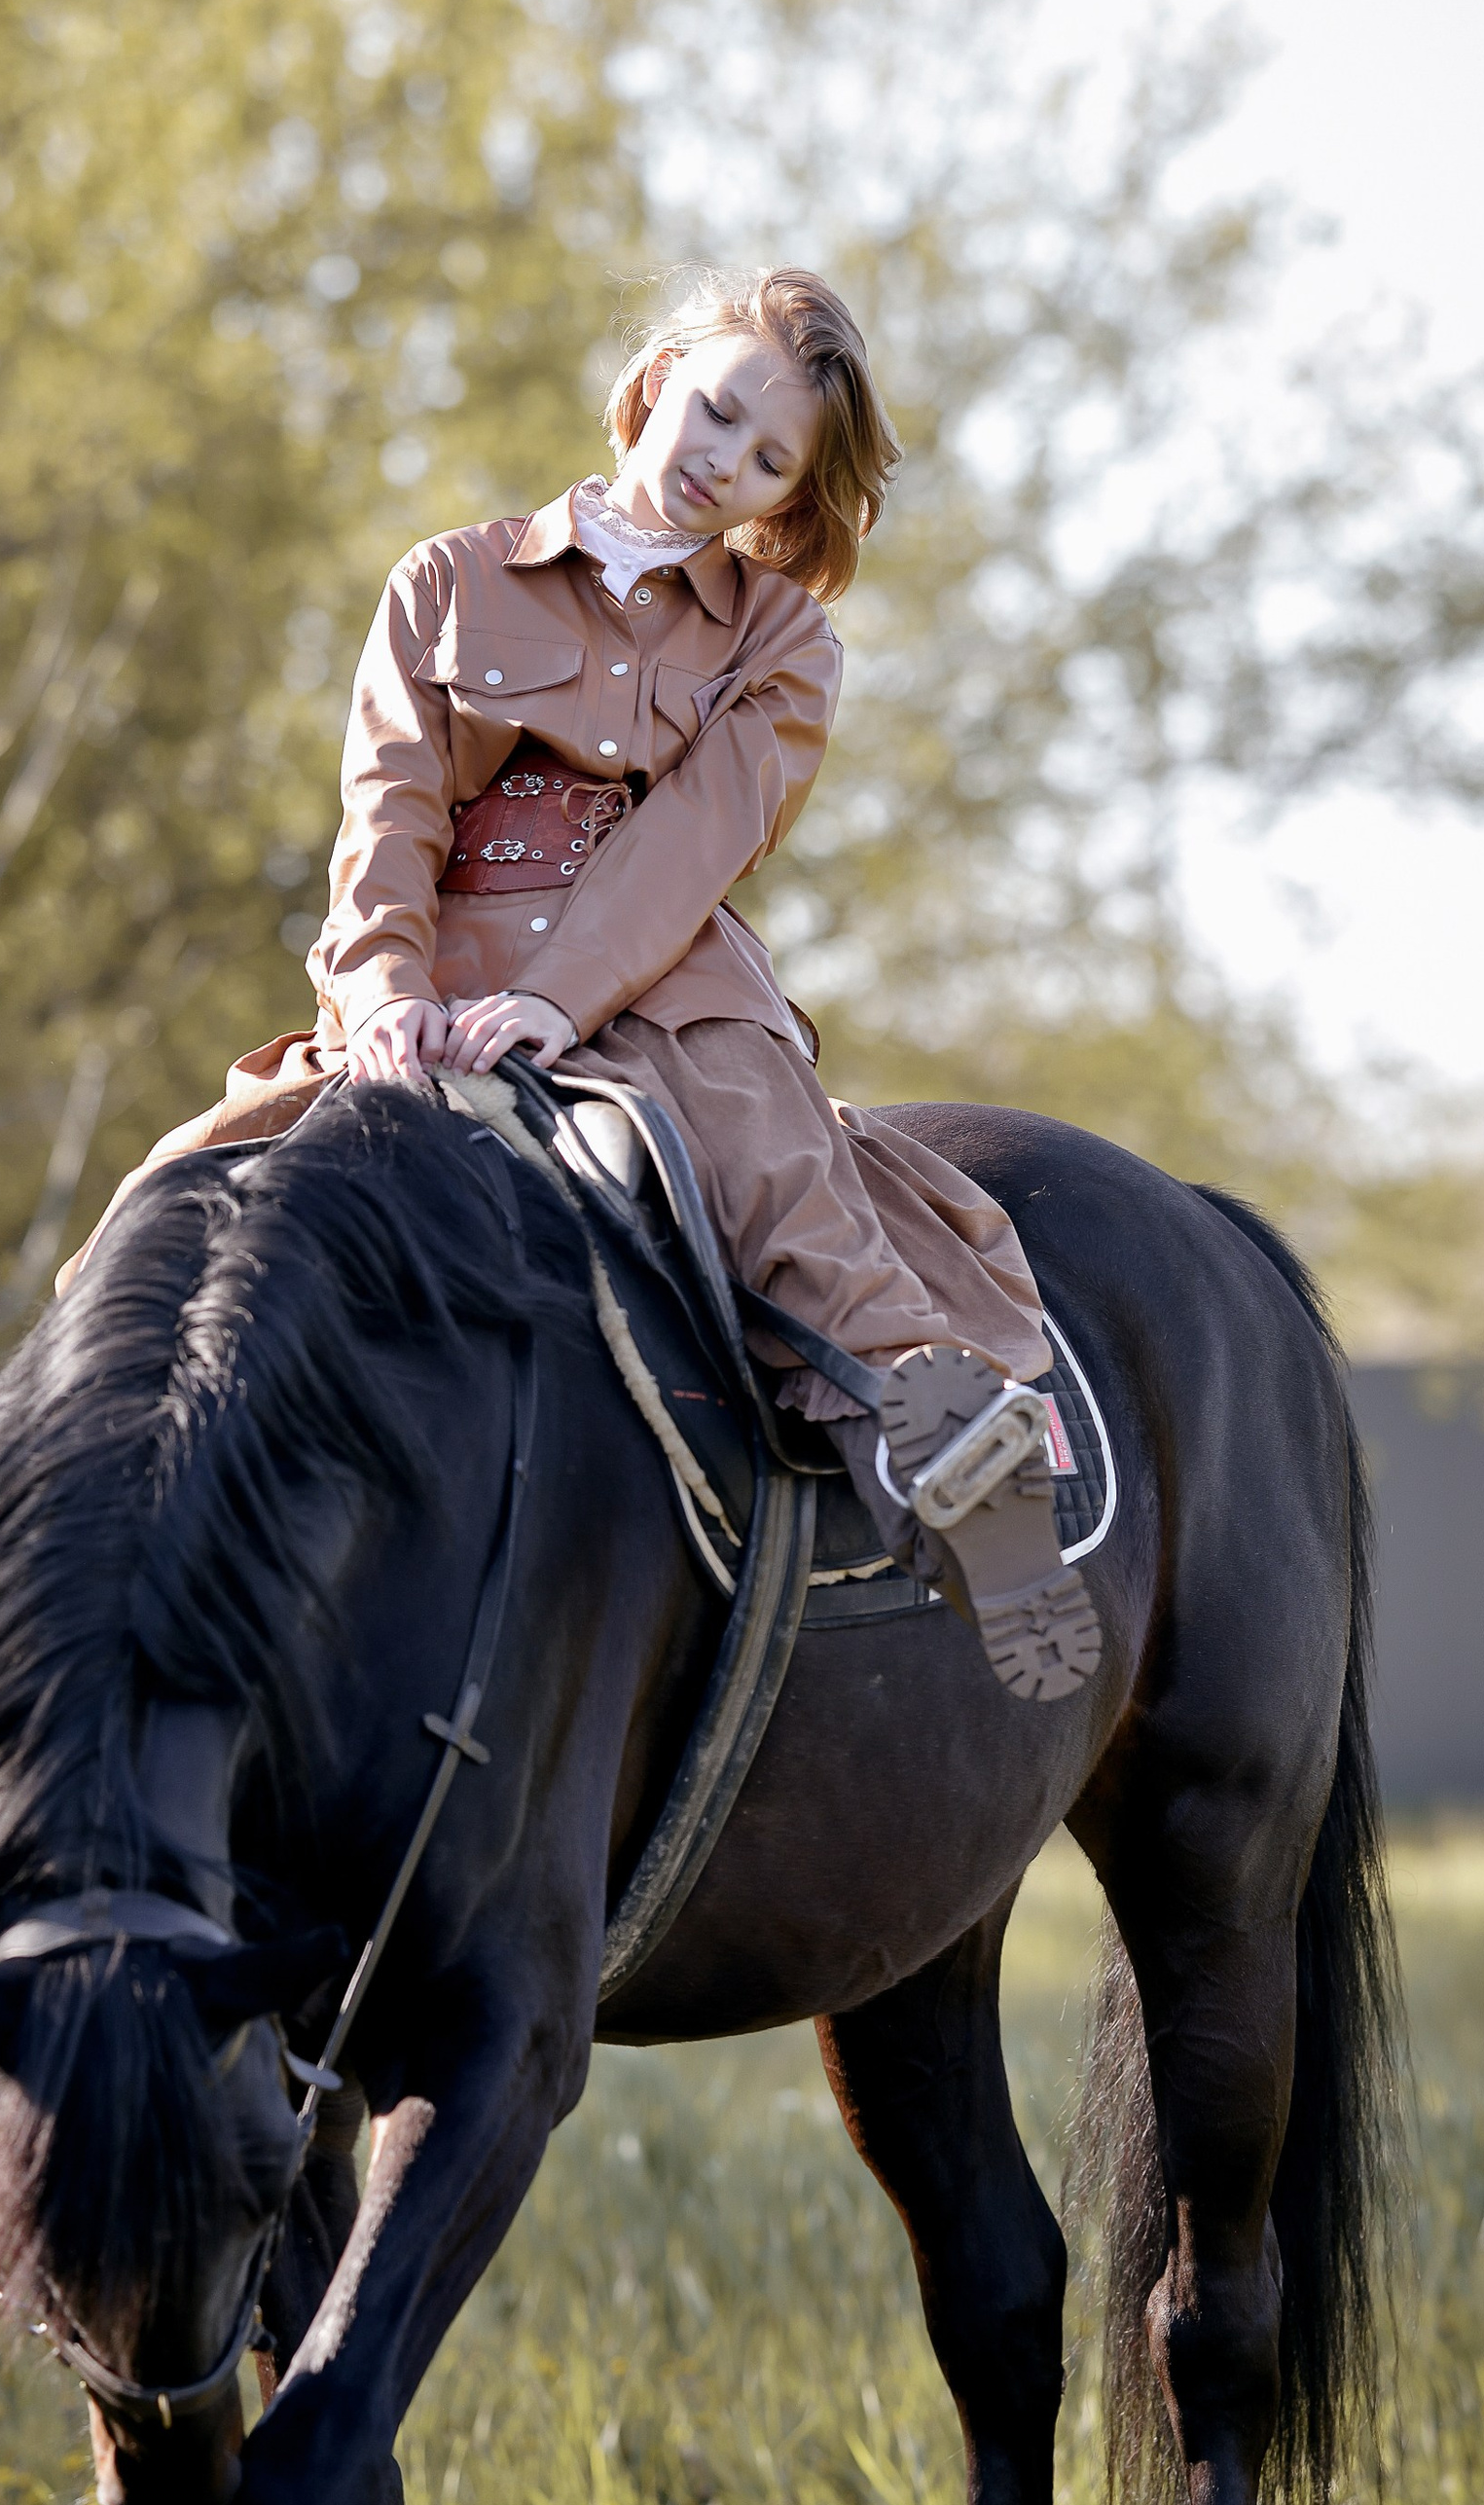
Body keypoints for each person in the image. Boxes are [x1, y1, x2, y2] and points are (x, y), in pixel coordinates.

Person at [67, 266, 1098, 1702]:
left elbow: (694, 840)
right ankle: (95, 1531)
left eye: (766, 458)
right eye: (716, 409)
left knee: (771, 1170)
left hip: (660, 982)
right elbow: (391, 810)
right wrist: (380, 997)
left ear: (786, 494)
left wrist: (563, 998)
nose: (720, 458)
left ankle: (954, 1465)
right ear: (654, 381)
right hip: (432, 980)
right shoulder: (446, 579)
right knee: (170, 1211)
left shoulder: (780, 641)